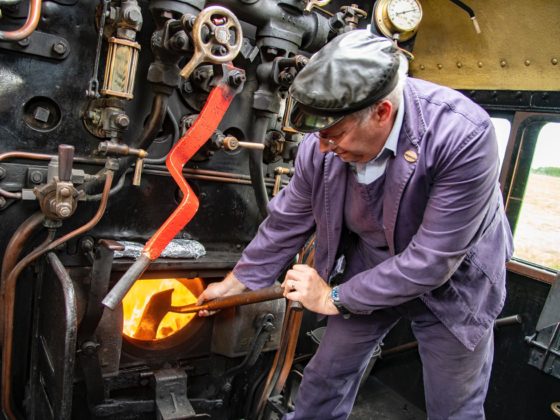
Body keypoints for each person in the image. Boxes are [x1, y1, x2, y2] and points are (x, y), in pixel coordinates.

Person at [197, 29, 513, 419]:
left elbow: (432, 261)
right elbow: (287, 218)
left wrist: (332, 297)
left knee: (454, 407)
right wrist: (236, 282)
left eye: (335, 135)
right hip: (373, 263)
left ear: (382, 111)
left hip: (454, 281)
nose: (323, 147)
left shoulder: (464, 134)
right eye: (319, 136)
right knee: (324, 379)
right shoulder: (323, 144)